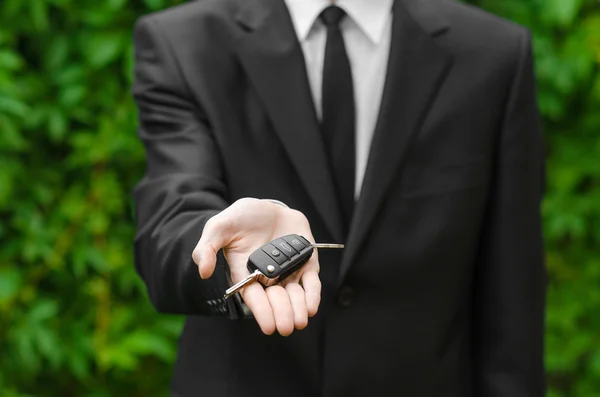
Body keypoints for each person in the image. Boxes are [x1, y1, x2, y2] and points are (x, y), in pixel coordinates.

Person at [131, 0, 547, 396]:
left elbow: (512, 296)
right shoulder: (184, 42)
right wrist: (222, 252)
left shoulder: (492, 54)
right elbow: (168, 223)